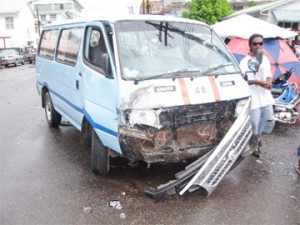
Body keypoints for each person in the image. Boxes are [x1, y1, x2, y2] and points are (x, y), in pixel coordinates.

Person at [239, 33, 275, 157]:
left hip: (265, 96)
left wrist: (269, 83)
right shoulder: (245, 61)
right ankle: (254, 144)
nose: (258, 46)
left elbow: (268, 75)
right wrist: (256, 82)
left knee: (268, 119)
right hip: (253, 97)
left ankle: (256, 139)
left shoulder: (265, 59)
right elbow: (243, 80)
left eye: (260, 43)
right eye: (255, 43)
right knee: (254, 122)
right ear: (250, 45)